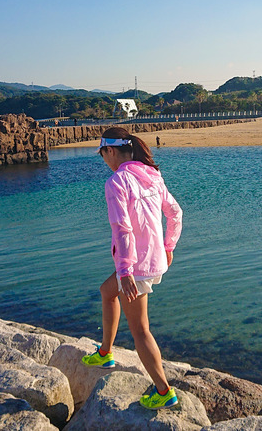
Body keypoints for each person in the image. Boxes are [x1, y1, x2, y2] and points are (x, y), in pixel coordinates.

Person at [81, 126, 183, 410]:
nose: (104, 160)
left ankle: (163, 391)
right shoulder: (151, 176)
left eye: (103, 154)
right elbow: (175, 213)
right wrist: (169, 246)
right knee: (107, 291)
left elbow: (122, 228)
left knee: (140, 329)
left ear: (110, 151)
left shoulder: (117, 182)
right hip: (153, 259)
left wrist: (125, 272)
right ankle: (105, 352)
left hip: (136, 266)